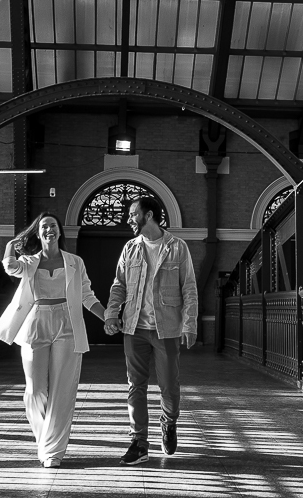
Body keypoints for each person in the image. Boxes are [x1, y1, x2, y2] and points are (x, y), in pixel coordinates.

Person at [0, 213, 106, 468]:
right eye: (44, 227)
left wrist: (107, 317)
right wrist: (11, 244)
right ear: (38, 233)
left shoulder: (75, 262)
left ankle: (53, 452)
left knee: (63, 390)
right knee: (35, 390)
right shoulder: (28, 262)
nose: (49, 230)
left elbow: (87, 296)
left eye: (53, 225)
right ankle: (45, 440)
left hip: (67, 324)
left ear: (59, 231)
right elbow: (10, 267)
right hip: (36, 322)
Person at [103, 196, 198, 465]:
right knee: (136, 385)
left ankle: (168, 421)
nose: (129, 219)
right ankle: (139, 442)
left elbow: (189, 288)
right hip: (134, 328)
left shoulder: (177, 247)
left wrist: (190, 323)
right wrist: (111, 313)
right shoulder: (130, 248)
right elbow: (119, 285)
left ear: (149, 216)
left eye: (133, 214)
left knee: (169, 387)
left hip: (167, 329)